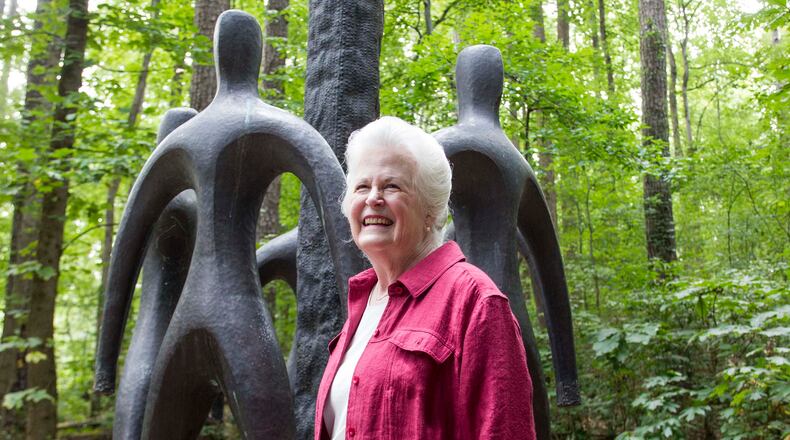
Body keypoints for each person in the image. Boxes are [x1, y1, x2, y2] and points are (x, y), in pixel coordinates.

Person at [314, 116, 535, 440]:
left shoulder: (474, 303)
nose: (373, 198)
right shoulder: (363, 306)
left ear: (430, 209)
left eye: (392, 186)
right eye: (362, 186)